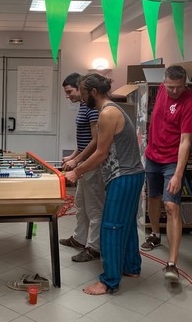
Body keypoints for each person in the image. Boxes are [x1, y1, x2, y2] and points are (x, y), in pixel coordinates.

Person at [65, 73, 145, 295]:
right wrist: (78, 162)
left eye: (82, 92)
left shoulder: (108, 113)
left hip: (124, 177)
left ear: (93, 92)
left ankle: (109, 281)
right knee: (127, 226)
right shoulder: (109, 110)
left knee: (110, 227)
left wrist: (77, 171)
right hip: (132, 175)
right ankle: (131, 267)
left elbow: (101, 153)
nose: (81, 97)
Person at [141, 65, 192, 282]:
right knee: (153, 197)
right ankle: (155, 234)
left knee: (172, 205)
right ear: (164, 83)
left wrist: (177, 174)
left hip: (172, 160)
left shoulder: (190, 103)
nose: (173, 91)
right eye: (169, 86)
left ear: (185, 84)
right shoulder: (162, 91)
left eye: (178, 87)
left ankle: (172, 263)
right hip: (152, 155)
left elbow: (185, 141)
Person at [60, 73, 104, 262]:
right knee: (81, 204)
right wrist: (73, 156)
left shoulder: (92, 108)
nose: (68, 96)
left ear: (80, 88)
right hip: (83, 162)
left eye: (70, 92)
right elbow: (84, 138)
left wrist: (77, 161)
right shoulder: (82, 106)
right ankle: (79, 239)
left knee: (94, 209)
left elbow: (96, 141)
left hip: (92, 164)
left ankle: (94, 248)